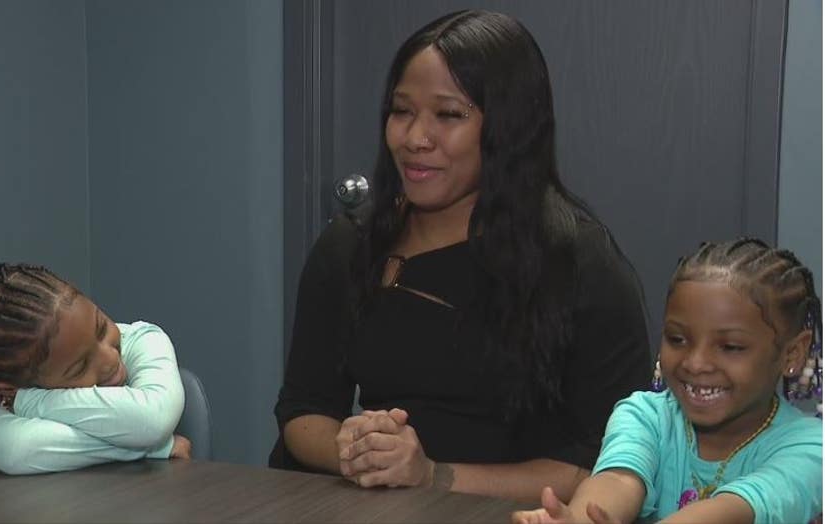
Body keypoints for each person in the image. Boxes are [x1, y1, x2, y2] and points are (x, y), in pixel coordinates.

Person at [271, 10, 651, 502]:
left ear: (509, 129)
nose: (413, 138)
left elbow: (609, 465)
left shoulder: (579, 263)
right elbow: (303, 410)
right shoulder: (352, 245)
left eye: (448, 115)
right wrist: (355, 449)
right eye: (401, 110)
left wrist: (434, 476)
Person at [512, 238, 823, 524]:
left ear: (792, 354)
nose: (695, 362)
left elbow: (734, 509)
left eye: (730, 347)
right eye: (678, 339)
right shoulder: (645, 416)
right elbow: (618, 480)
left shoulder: (811, 446)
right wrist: (580, 519)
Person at [0, 263, 190, 475]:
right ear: (11, 387)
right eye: (80, 367)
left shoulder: (144, 339)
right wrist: (153, 447)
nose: (109, 358)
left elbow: (151, 419)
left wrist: (30, 401)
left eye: (102, 328)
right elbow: (19, 449)